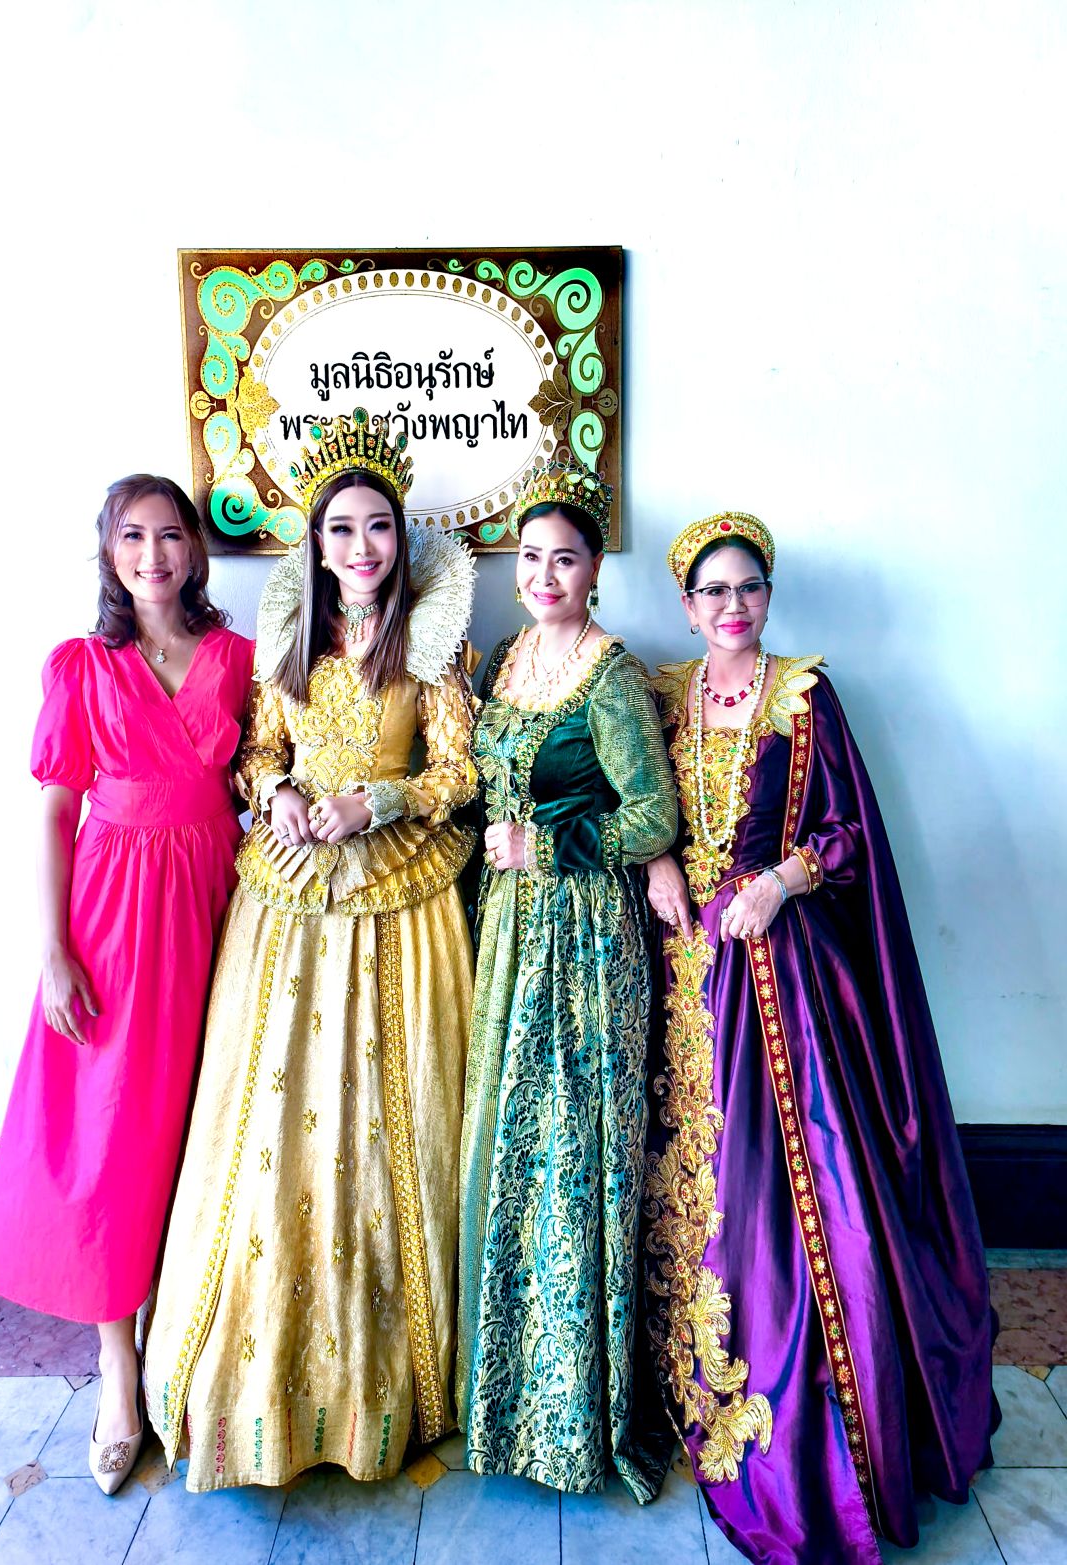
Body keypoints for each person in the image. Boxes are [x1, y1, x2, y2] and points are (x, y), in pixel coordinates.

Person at [642, 512, 997, 1564]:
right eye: (713, 591)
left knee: (780, 1188)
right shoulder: (662, 694)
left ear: (768, 595)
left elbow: (849, 830)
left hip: (774, 973)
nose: (733, 606)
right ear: (687, 607)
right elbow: (633, 799)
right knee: (680, 1177)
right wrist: (657, 862)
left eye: (749, 587)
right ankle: (678, 1385)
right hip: (678, 968)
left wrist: (784, 880)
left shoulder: (804, 696)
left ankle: (803, 1417)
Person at [144, 409, 478, 1491]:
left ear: (401, 538)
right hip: (287, 901)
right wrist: (279, 790)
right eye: (341, 529)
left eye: (378, 527)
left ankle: (391, 1383)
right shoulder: (289, 640)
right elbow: (254, 754)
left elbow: (459, 773)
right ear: (317, 544)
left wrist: (378, 800)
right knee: (271, 1122)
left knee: (391, 1118)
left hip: (399, 896)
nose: (362, 547)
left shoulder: (431, 645)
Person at [0, 475, 253, 1493]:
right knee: (110, 1134)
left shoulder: (236, 657)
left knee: (198, 1125)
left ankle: (186, 1346)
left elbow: (260, 771)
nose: (152, 555)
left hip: (216, 901)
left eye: (170, 535)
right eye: (132, 536)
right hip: (112, 913)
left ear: (195, 548)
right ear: (108, 549)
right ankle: (116, 1370)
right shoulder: (82, 663)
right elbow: (55, 811)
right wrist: (52, 947)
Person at [456, 460, 678, 1500]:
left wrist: (546, 846)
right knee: (509, 1145)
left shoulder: (612, 676)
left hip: (585, 938)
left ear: (595, 571)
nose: (545, 575)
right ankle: (507, 1404)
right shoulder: (502, 661)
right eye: (532, 557)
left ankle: (580, 1412)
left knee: (574, 1156)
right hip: (507, 931)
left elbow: (653, 817)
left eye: (567, 559)